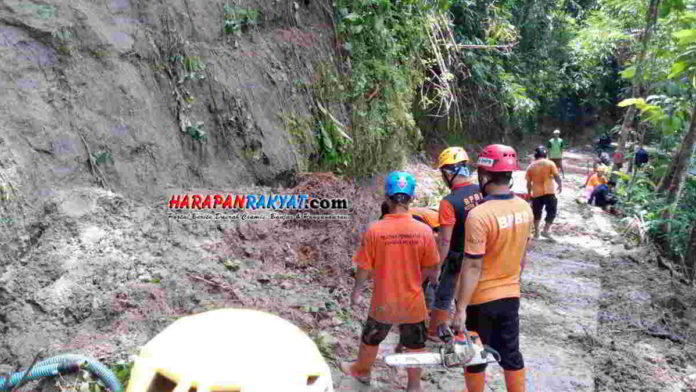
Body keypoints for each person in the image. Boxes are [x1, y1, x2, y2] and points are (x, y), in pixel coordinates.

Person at [342, 171, 439, 392]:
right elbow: (432, 268)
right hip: (413, 300)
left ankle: (362, 371)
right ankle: (414, 385)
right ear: (412, 197)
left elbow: (364, 266)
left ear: (386, 196)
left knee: (371, 337)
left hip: (384, 300)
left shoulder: (375, 230)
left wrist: (356, 292)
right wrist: (415, 281)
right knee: (416, 344)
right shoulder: (424, 231)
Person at [450, 144, 532, 392]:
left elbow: (473, 265)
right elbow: (522, 257)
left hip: (481, 299)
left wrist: (460, 308)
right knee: (511, 354)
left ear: (484, 175)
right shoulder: (524, 208)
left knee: (475, 356)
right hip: (510, 295)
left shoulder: (479, 215)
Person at [428, 147, 483, 342]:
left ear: (449, 173)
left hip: (457, 255)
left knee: (444, 293)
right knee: (471, 291)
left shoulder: (449, 202)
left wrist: (436, 267)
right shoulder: (481, 191)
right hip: (479, 253)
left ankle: (434, 332)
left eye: (443, 172)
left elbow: (444, 240)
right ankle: (466, 326)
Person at [525, 146, 563, 240]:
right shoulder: (550, 163)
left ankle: (537, 232)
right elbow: (556, 176)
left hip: (536, 193)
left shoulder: (530, 167)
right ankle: (546, 230)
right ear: (545, 154)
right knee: (552, 211)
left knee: (537, 212)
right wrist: (560, 184)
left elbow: (528, 183)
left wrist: (529, 194)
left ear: (536, 155)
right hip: (549, 191)